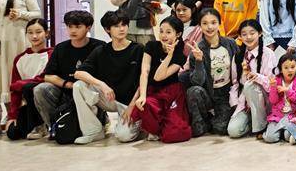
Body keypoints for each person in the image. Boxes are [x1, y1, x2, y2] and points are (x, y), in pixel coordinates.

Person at [72, 11, 144, 145]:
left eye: (124, 25)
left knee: (123, 136)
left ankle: (137, 124)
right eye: (116, 26)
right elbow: (78, 73)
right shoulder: (101, 50)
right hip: (109, 98)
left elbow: (144, 81)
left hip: (130, 102)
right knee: (79, 86)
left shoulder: (138, 49)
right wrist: (102, 85)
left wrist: (132, 106)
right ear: (107, 29)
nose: (122, 29)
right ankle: (94, 131)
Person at [117, 14, 191, 144]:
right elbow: (145, 73)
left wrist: (169, 56)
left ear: (178, 34)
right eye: (161, 31)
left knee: (174, 134)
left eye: (168, 32)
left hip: (172, 93)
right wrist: (142, 96)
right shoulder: (151, 46)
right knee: (146, 104)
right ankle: (153, 129)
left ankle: (163, 126)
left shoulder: (180, 55)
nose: (163, 35)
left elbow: (158, 76)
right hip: (152, 91)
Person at [32, 10, 103, 136]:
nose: (73, 31)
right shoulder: (60, 48)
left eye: (78, 27)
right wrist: (68, 84)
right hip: (66, 92)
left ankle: (101, 119)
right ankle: (55, 127)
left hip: (90, 92)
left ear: (88, 27)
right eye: (70, 26)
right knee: (40, 89)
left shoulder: (99, 46)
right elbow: (48, 76)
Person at [185, 8, 239, 137]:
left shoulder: (230, 44)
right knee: (194, 91)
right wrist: (198, 61)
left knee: (220, 129)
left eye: (213, 22)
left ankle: (215, 119)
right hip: (208, 93)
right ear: (200, 26)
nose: (209, 27)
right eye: (205, 23)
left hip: (225, 94)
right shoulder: (197, 49)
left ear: (219, 23)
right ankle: (205, 119)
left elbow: (239, 69)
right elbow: (197, 82)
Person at [228, 19, 276, 138]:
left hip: (264, 100)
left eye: (252, 33)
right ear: (240, 37)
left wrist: (258, 77)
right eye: (244, 34)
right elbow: (235, 83)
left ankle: (260, 126)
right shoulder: (238, 56)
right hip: (245, 103)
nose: (248, 37)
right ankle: (252, 121)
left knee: (250, 85)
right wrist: (235, 102)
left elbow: (272, 84)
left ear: (260, 33)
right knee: (233, 131)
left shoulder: (268, 54)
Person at [3, 19, 51, 138]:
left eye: (38, 32)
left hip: (47, 102)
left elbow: (44, 78)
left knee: (29, 87)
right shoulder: (20, 58)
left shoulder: (52, 54)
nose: (34, 36)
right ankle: (32, 124)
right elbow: (15, 90)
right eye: (30, 32)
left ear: (46, 33)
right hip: (29, 104)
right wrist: (12, 116)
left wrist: (20, 84)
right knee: (13, 133)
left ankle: (41, 126)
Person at [262, 52, 296, 143]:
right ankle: (274, 131)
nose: (290, 70)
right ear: (281, 70)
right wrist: (273, 87)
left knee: (288, 136)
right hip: (277, 117)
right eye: (286, 68)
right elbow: (273, 101)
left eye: (292, 67)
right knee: (270, 138)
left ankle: (282, 132)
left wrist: (287, 90)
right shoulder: (276, 80)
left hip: (291, 117)